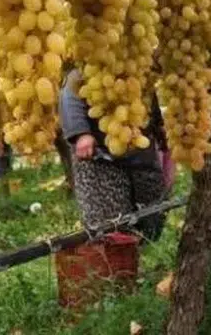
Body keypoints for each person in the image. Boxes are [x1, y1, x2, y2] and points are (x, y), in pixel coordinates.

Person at [59, 67, 168, 242]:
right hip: (101, 159)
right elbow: (69, 97)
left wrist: (158, 126)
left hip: (141, 157)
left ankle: (142, 249)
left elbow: (147, 99)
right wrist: (81, 134)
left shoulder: (136, 66)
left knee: (153, 214)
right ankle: (115, 262)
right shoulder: (84, 70)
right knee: (109, 224)